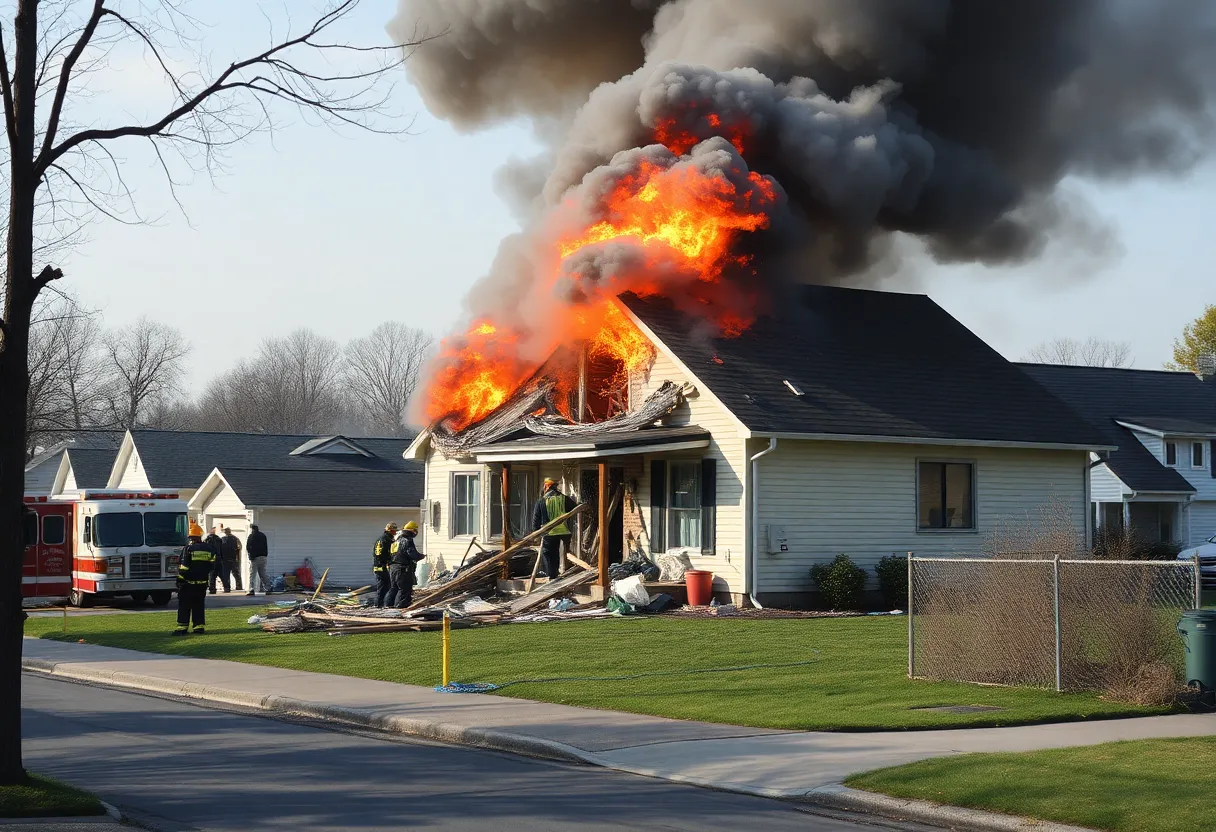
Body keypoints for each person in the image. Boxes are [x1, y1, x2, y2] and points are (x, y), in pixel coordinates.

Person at [531, 478, 576, 579]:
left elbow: (536, 520)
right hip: (563, 532)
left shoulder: (542, 501)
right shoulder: (564, 498)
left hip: (549, 532)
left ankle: (551, 576)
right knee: (556, 554)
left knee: (547, 554)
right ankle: (555, 575)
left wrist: (536, 533)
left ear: (547, 486)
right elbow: (575, 508)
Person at [175, 523, 215, 635]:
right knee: (199, 606)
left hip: (188, 584)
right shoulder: (209, 549)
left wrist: (179, 581)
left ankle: (182, 628)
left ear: (191, 538)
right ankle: (199, 627)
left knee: (184, 606)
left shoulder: (188, 549)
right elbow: (212, 566)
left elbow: (184, 567)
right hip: (202, 584)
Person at [389, 521, 425, 608]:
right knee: (404, 589)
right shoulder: (407, 540)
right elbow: (412, 554)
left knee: (394, 588)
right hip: (402, 569)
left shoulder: (397, 539)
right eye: (415, 531)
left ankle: (388, 605)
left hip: (393, 567)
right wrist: (421, 556)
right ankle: (400, 607)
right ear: (412, 530)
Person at [373, 522, 396, 607]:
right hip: (382, 567)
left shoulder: (380, 539)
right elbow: (388, 554)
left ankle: (379, 604)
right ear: (391, 531)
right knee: (383, 587)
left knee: (382, 587)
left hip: (377, 566)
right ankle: (379, 605)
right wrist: (390, 562)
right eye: (394, 531)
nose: (395, 533)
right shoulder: (387, 540)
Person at [245, 524, 270, 596]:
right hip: (263, 557)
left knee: (252, 574)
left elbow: (248, 546)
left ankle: (251, 589)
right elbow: (265, 546)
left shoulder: (251, 536)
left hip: (255, 557)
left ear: (252, 529)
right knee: (263, 573)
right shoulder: (263, 535)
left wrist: (250, 555)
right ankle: (268, 588)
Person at [220, 526, 243, 592]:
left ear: (225, 532)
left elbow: (220, 549)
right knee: (236, 573)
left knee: (226, 574)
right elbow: (239, 547)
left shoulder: (222, 539)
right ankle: (239, 586)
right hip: (233, 559)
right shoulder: (235, 539)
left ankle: (227, 588)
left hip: (225, 559)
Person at [205, 525, 226, 594]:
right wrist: (222, 557)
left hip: (212, 559)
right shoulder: (219, 539)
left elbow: (207, 549)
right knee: (222, 574)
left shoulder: (208, 539)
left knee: (212, 575)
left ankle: (212, 589)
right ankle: (227, 587)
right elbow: (222, 549)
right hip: (219, 558)